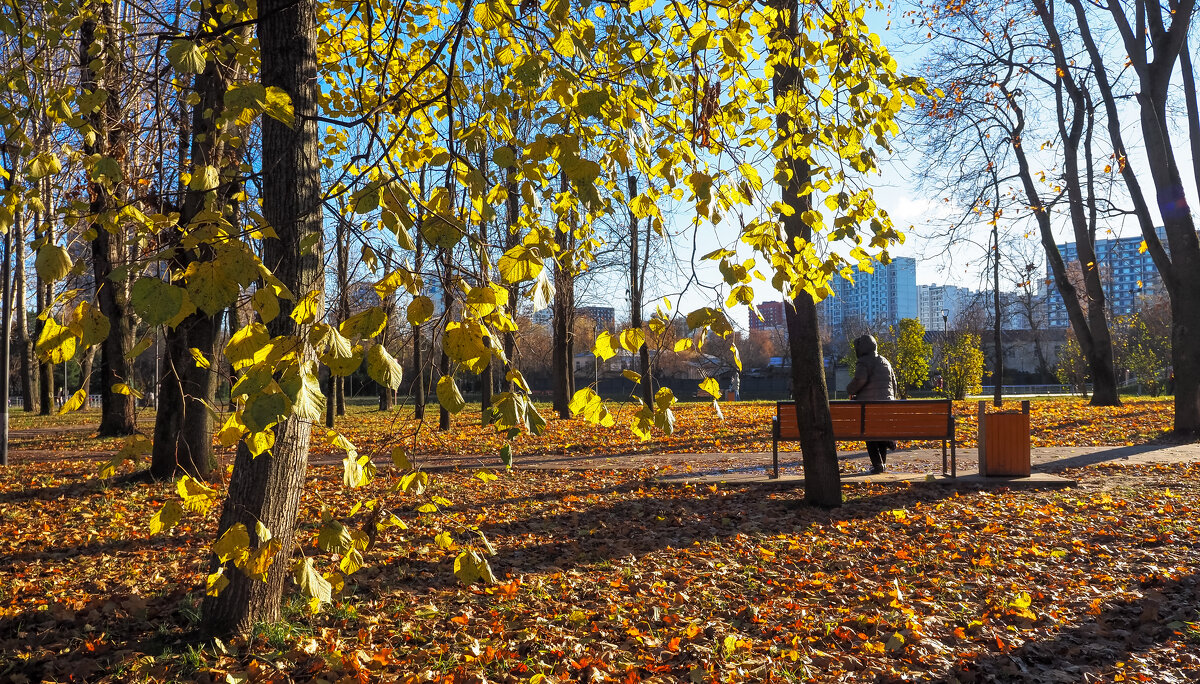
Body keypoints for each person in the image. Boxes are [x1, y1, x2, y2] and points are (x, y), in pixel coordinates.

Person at [846, 334, 899, 474]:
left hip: (869, 410)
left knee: (869, 435)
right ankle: (882, 464)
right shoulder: (885, 361)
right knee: (881, 434)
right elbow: (894, 384)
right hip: (887, 409)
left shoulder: (864, 362)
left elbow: (860, 380)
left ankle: (877, 464)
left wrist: (849, 389)